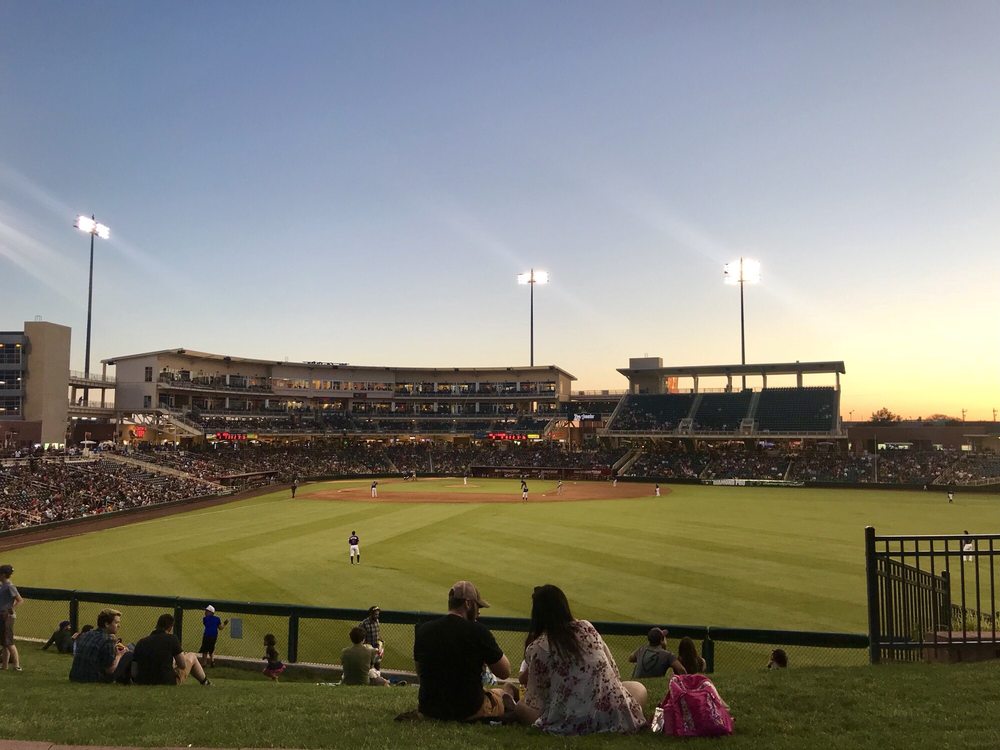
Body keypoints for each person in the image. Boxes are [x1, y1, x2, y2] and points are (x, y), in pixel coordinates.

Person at [513, 584, 646, 734]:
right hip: (610, 713)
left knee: (521, 707)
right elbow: (613, 672)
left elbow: (535, 698)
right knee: (638, 688)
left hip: (569, 720)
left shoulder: (538, 647)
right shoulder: (587, 627)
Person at [412, 580, 511, 721]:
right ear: (468, 604)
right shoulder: (478, 631)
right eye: (477, 606)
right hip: (468, 710)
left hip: (430, 709)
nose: (478, 612)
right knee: (504, 691)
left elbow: (420, 672)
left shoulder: (424, 630)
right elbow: (505, 671)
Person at [133, 613, 211, 686]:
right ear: (170, 627)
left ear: (157, 625)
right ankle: (205, 682)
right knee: (191, 656)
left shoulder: (141, 642)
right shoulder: (172, 639)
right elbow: (182, 665)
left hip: (143, 681)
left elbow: (134, 671)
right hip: (166, 681)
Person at [69, 608, 131, 683]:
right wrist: (119, 655)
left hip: (75, 676)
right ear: (107, 624)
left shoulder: (85, 634)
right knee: (128, 655)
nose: (119, 626)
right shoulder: (108, 640)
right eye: (116, 623)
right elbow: (110, 670)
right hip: (93, 679)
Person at [0, 564, 23, 671]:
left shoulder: (10, 586)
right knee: (4, 642)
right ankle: (4, 665)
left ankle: (16, 665)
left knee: (8, 641)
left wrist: (11, 609)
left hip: (7, 616)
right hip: (2, 615)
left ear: (4, 574)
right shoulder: (2, 586)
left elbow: (20, 600)